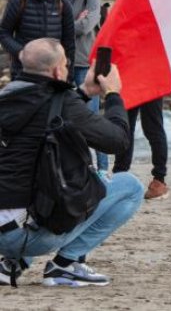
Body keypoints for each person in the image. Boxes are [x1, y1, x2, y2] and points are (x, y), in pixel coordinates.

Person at [0, 38, 142, 287]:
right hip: (21, 236)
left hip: (9, 224)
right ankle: (64, 264)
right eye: (66, 64)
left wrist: (84, 92)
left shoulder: (7, 96)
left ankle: (12, 264)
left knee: (37, 182)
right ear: (57, 71)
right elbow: (118, 141)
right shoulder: (62, 101)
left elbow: (46, 115)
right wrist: (113, 94)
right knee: (130, 187)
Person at [109, 0, 170, 200]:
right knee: (125, 126)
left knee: (152, 126)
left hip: (151, 73)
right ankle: (120, 175)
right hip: (127, 73)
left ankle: (159, 180)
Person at [59, 0, 107, 175]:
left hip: (84, 65)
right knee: (64, 120)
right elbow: (51, 21)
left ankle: (103, 170)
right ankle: (78, 169)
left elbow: (87, 26)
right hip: (62, 65)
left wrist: (64, 23)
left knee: (91, 120)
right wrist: (72, 22)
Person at [0, 0, 75, 80]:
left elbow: (69, 45)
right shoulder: (17, 1)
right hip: (23, 74)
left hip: (53, 77)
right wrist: (21, 53)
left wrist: (68, 76)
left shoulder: (63, 4)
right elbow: (3, 33)